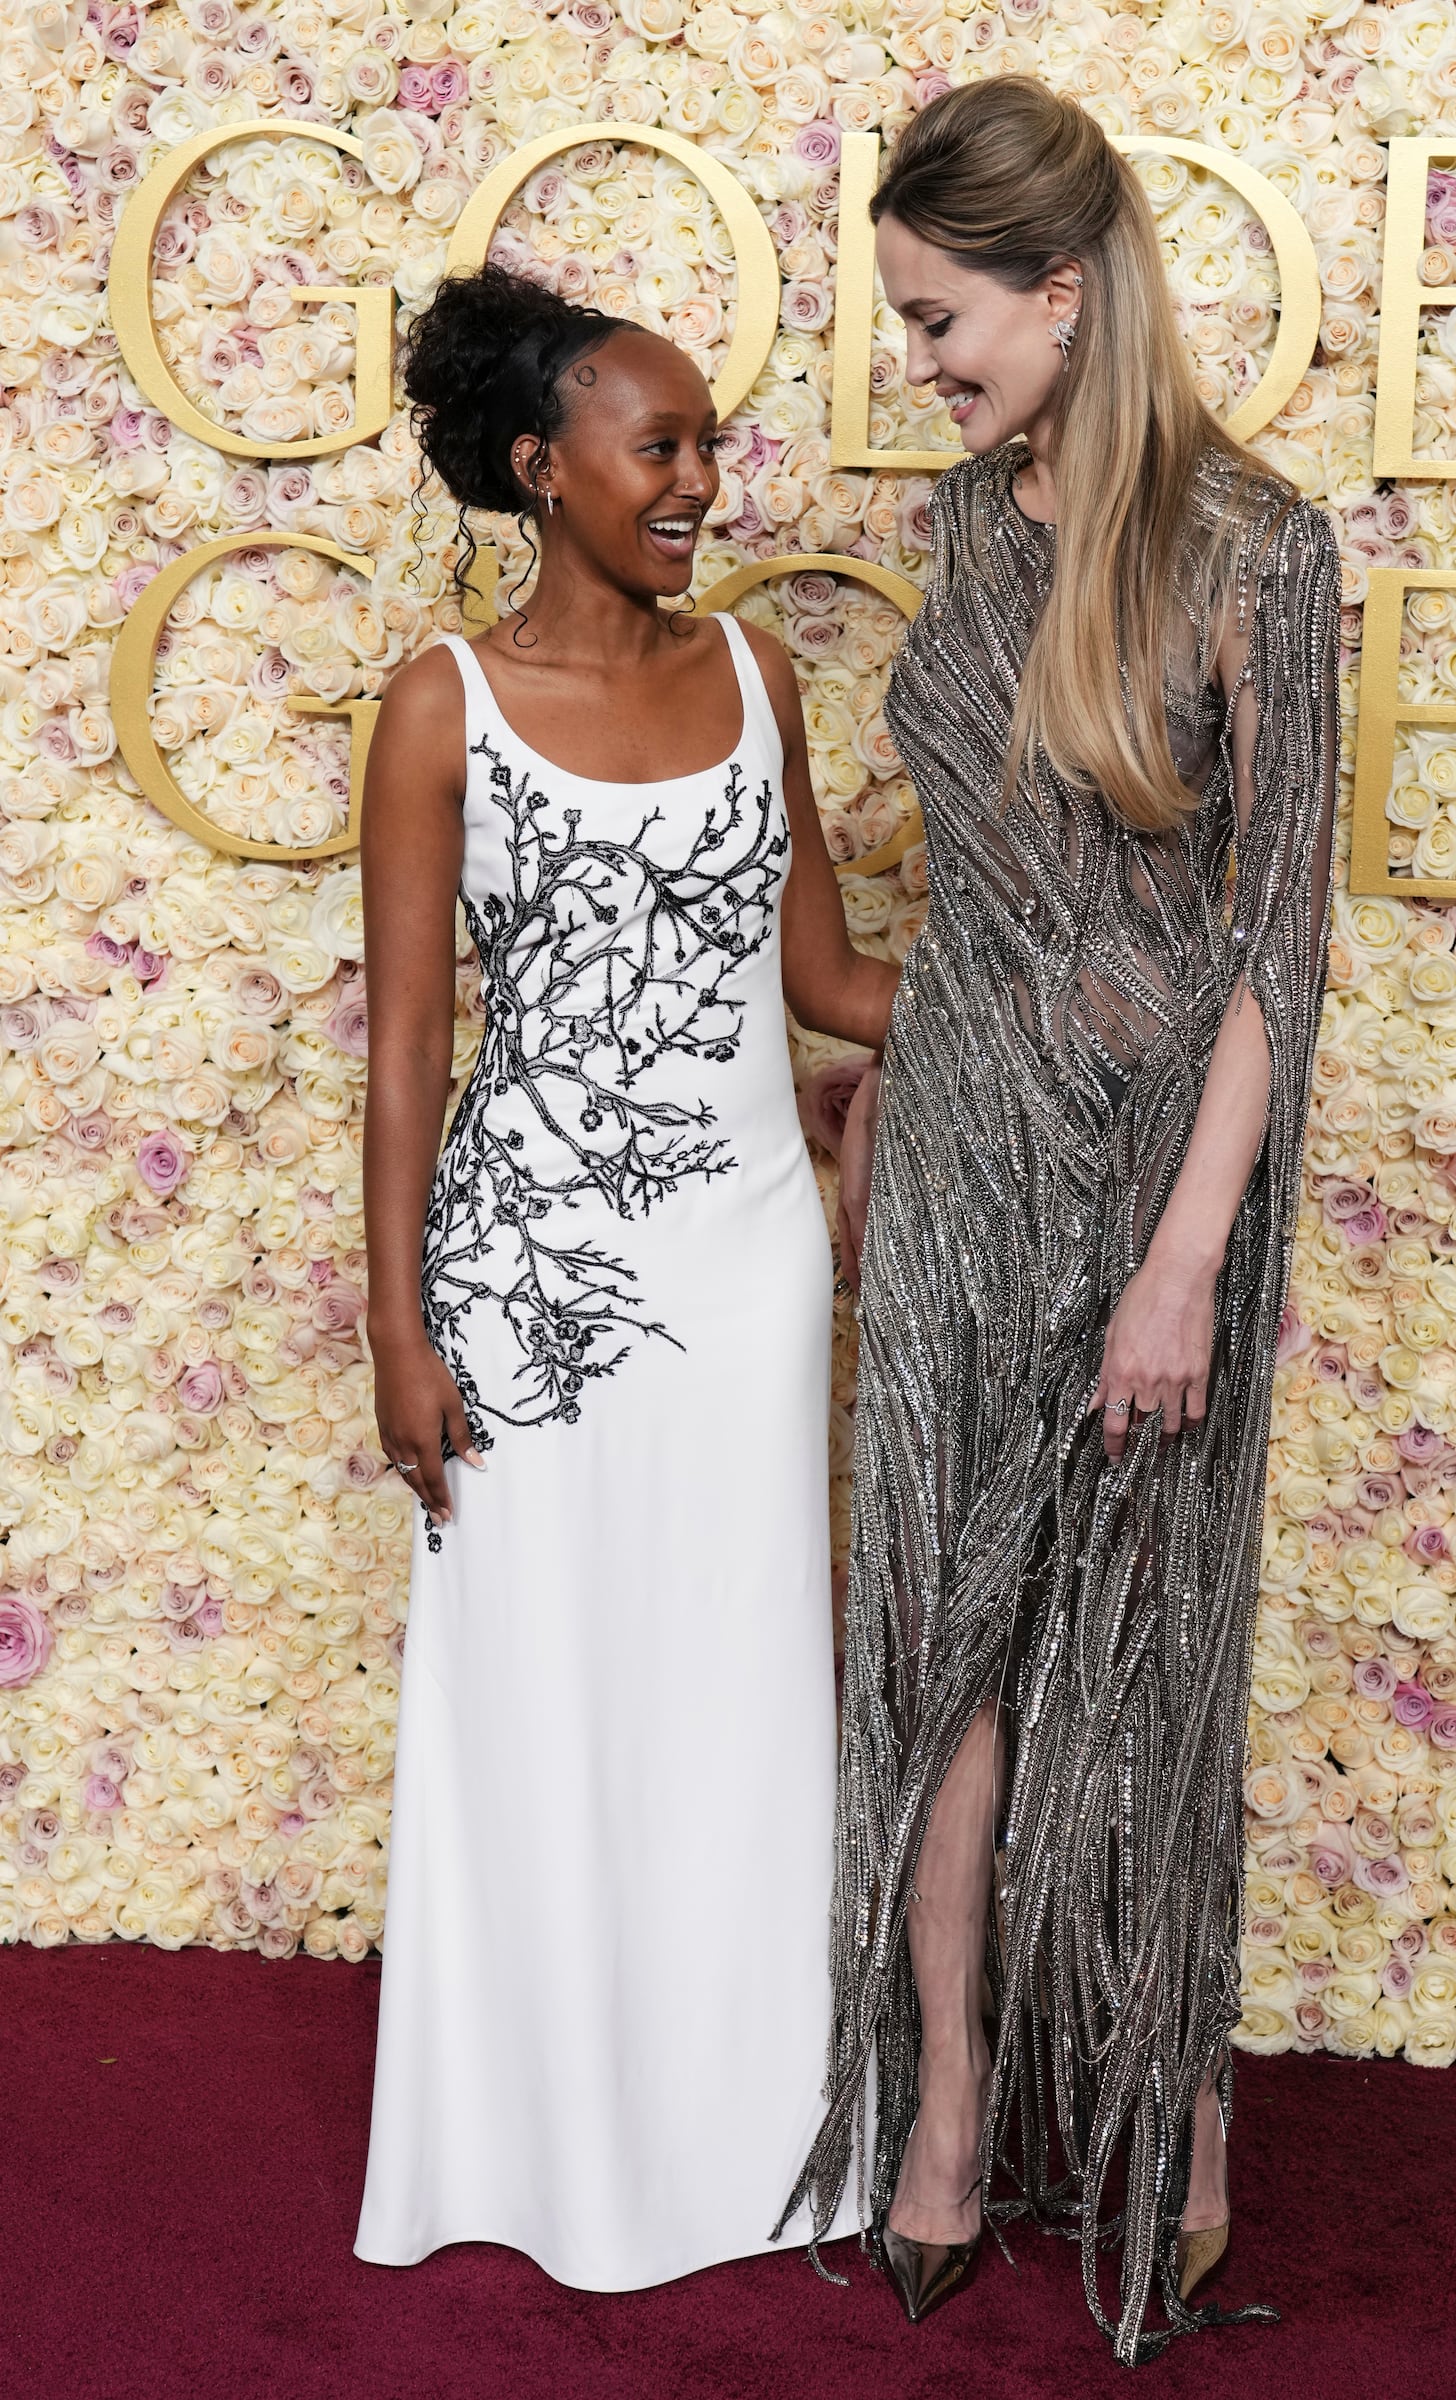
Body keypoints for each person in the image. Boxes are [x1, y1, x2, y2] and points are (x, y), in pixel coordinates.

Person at [781, 79, 1340, 2362]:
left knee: (1137, 1658)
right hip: (947, 1165)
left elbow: (1270, 951)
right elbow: (1002, 868)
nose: (915, 359)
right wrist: (885, 1071)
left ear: (1062, 288)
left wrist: (1185, 1259)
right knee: (935, 1650)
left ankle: (1176, 2130)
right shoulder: (964, 517)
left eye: (938, 319)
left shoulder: (1255, 551)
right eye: (903, 319)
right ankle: (943, 2128)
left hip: (1149, 1179)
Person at [353, 264, 896, 2288]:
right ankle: (536, 2142)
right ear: (536, 467)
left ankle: (755, 2138)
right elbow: (412, 1041)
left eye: (704, 446)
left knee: (737, 1687)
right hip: (523, 1293)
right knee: (541, 1692)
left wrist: (1040, 1031)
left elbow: (825, 979)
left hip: (744, 1269)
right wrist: (399, 1329)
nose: (698, 482)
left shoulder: (757, 675)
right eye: (658, 447)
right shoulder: (441, 703)